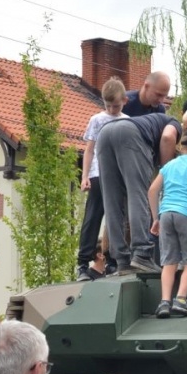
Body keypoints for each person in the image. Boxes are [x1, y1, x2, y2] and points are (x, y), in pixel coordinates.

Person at [97, 109, 181, 276]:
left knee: (111, 201)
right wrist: (166, 171)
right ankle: (142, 253)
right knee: (138, 195)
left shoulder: (150, 121)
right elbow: (167, 137)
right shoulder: (175, 123)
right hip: (130, 135)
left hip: (104, 134)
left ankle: (121, 261)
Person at [146, 126, 187, 318]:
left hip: (166, 214)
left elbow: (152, 190)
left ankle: (164, 302)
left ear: (182, 147)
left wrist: (156, 218)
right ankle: (181, 300)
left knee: (169, 261)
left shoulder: (170, 165)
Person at [77, 78, 126, 281]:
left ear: (124, 101)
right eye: (108, 106)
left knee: (116, 219)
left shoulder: (127, 121)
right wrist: (85, 176)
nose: (112, 110)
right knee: (93, 217)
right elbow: (89, 150)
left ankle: (113, 260)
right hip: (98, 173)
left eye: (116, 106)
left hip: (117, 176)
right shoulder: (97, 119)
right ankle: (83, 263)